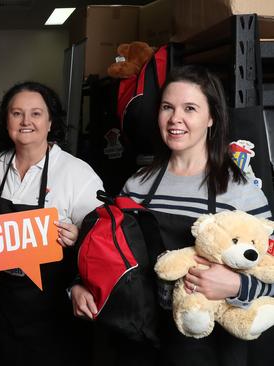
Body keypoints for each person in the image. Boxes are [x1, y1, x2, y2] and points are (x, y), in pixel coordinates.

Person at [71, 65, 273, 366]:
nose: (175, 118)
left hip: (210, 350)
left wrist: (237, 287)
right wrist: (78, 285)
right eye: (168, 107)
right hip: (140, 343)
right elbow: (107, 253)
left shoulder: (241, 192)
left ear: (211, 118)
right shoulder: (137, 184)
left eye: (189, 108)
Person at [0, 81, 104, 365]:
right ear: (6, 121)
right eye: (17, 114)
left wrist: (79, 236)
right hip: (2, 304)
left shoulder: (77, 173)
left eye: (36, 114)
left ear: (51, 122)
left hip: (56, 308)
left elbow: (102, 241)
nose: (26, 121)